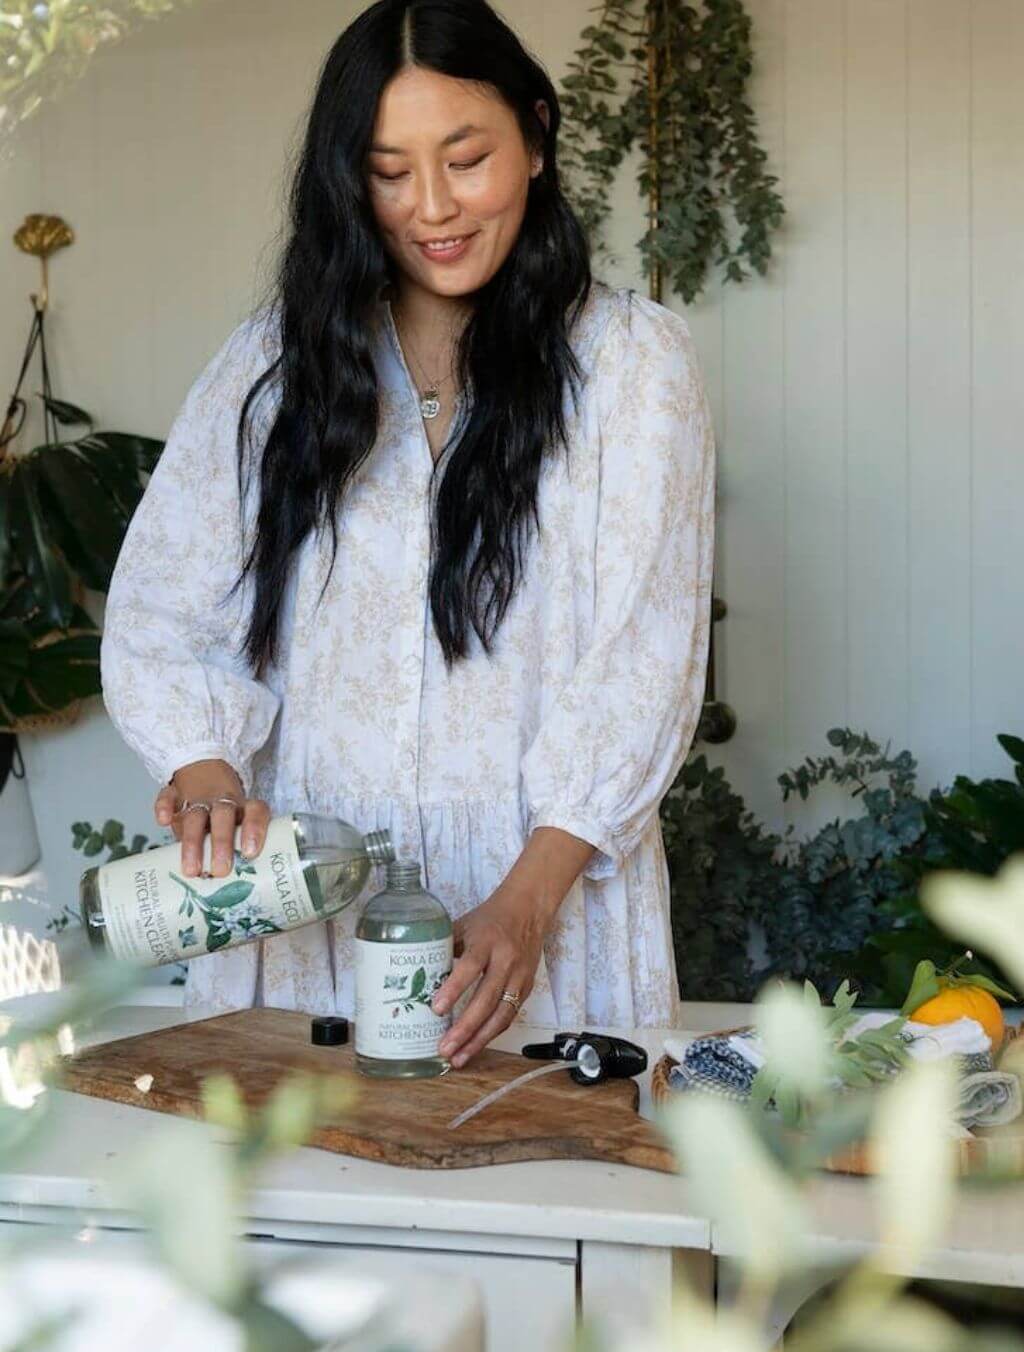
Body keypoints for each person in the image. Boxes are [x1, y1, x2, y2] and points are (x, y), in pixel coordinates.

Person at [101, 0, 715, 1065]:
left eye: (466, 158)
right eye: (389, 171)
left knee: (545, 1199)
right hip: (306, 919)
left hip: (532, 916)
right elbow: (167, 601)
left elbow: (643, 661)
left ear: (533, 136)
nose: (432, 206)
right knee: (296, 1200)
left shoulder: (630, 366)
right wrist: (203, 766)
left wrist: (525, 904)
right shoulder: (272, 369)